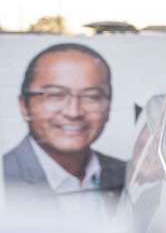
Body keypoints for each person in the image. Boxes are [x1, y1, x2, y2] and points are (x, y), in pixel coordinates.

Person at [3, 43, 126, 213]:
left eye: (92, 97)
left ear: (109, 107)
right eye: (55, 95)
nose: (73, 112)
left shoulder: (128, 176)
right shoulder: (5, 177)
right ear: (25, 106)